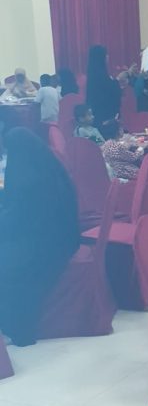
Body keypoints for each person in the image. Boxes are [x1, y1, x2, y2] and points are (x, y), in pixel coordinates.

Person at [0, 127, 79, 345]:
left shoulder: (30, 179)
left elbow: (20, 217)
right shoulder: (47, 166)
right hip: (61, 235)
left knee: (8, 266)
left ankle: (17, 328)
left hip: (48, 243)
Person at [85, 45, 121, 137]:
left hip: (97, 113)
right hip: (104, 115)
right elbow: (108, 90)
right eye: (106, 54)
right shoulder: (100, 74)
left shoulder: (92, 72)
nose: (107, 57)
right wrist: (117, 81)